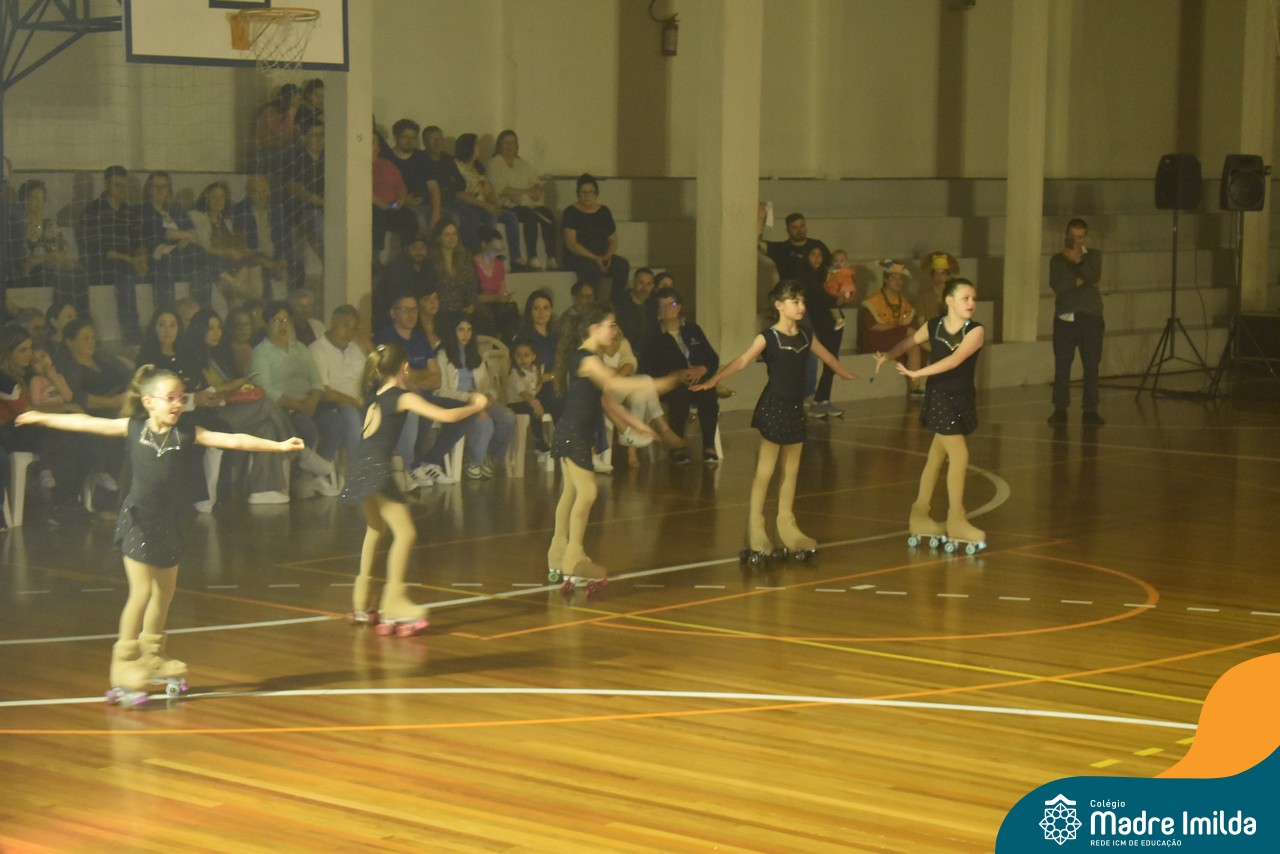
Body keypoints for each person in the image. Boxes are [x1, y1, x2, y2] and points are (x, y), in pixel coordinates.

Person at [16, 366, 302, 704]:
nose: (178, 403)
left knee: (164, 594)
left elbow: (233, 440)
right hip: (138, 521)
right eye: (170, 398)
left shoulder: (186, 432)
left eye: (182, 397)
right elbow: (86, 422)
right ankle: (123, 663)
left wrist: (278, 446)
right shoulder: (133, 428)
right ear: (149, 401)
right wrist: (41, 416)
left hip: (169, 522)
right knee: (141, 592)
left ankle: (152, 654)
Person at [693, 281, 858, 560]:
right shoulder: (767, 337)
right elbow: (742, 361)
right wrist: (714, 380)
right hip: (773, 407)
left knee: (791, 471)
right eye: (795, 301)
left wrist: (844, 373)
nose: (801, 306)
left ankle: (786, 525)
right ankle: (756, 528)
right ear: (779, 305)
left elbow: (828, 357)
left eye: (802, 301)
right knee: (765, 471)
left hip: (795, 409)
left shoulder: (806, 335)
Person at [340, 342, 487, 633]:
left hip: (359, 467)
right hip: (377, 470)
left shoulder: (374, 397)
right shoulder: (401, 397)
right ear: (404, 367)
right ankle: (393, 604)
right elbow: (445, 416)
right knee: (406, 533)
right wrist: (476, 406)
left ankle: (361, 603)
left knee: (375, 530)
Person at [547, 302, 678, 582]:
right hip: (573, 432)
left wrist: (637, 425)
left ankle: (557, 554)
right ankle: (573, 558)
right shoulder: (586, 360)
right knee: (587, 493)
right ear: (594, 328)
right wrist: (655, 384)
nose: (614, 331)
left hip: (575, 432)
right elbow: (616, 384)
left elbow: (608, 400)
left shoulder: (592, 359)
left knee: (570, 493)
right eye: (611, 325)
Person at [874, 277, 988, 551]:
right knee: (959, 455)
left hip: (961, 398)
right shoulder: (934, 326)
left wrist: (918, 372)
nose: (971, 303)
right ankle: (956, 519)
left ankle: (919, 515)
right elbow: (908, 342)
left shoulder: (976, 331)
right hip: (940, 398)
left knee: (936, 456)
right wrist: (887, 356)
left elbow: (954, 360)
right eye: (965, 298)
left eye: (973, 298)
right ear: (949, 301)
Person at [178, 309, 297, 505]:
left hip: (230, 406)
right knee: (266, 405)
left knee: (266, 426)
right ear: (200, 330)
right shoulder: (191, 359)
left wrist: (237, 388)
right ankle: (299, 453)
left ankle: (263, 490)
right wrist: (230, 387)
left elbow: (227, 387)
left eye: (218, 328)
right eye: (210, 329)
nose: (216, 333)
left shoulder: (218, 355)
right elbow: (205, 394)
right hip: (213, 414)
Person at [247, 300, 339, 496]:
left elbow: (316, 380)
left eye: (286, 320)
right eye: (277, 320)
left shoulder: (301, 349)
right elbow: (266, 390)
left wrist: (312, 400)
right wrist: (298, 404)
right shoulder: (260, 353)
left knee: (335, 421)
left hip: (309, 403)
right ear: (267, 324)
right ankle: (302, 476)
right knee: (306, 427)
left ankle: (314, 475)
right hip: (284, 407)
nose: (283, 325)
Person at [641, 286, 721, 465]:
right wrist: (675, 375)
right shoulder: (652, 337)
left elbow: (712, 358)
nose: (668, 309)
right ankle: (677, 446)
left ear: (679, 307)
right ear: (658, 312)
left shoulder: (693, 330)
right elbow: (647, 368)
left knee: (708, 393)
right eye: (662, 306)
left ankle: (709, 445)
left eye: (672, 305)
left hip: (697, 379)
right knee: (680, 397)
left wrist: (702, 369)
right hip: (671, 384)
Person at [436, 315, 514, 479]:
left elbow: (486, 384)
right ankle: (474, 461)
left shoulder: (475, 355)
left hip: (479, 398)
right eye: (461, 330)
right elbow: (442, 390)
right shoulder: (443, 355)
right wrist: (470, 398)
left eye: (469, 330)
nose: (465, 334)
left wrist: (489, 395)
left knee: (507, 419)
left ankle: (488, 456)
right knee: (484, 420)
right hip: (457, 400)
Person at [76, 165, 147, 342]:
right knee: (124, 273)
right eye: (117, 185)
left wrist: (141, 258)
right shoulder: (92, 210)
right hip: (100, 264)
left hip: (128, 262)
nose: (122, 189)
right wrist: (131, 260)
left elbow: (138, 240)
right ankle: (132, 333)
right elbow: (96, 249)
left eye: (124, 185)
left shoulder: (130, 211)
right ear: (107, 185)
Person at [1048, 218, 1105, 426]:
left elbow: (1093, 275)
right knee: (1062, 365)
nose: (1076, 241)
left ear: (1085, 237)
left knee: (1091, 366)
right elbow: (1059, 285)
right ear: (1066, 235)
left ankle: (1090, 409)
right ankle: (1060, 409)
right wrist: (1081, 281)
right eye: (1072, 236)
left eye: (1080, 237)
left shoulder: (1094, 256)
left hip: (1091, 318)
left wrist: (1078, 262)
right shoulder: (1057, 260)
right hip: (1065, 318)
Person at [9, 179, 88, 314]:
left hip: (56, 267)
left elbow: (64, 251)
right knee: (58, 276)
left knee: (79, 274)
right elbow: (25, 261)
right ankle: (60, 315)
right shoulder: (18, 226)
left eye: (42, 198)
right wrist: (50, 258)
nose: (39, 203)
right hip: (33, 272)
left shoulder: (49, 224)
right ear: (25, 200)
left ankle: (81, 318)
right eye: (34, 198)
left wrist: (58, 259)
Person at [137, 171, 213, 309]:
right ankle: (167, 313)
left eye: (164, 186)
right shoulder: (143, 210)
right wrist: (185, 236)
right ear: (149, 189)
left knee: (201, 260)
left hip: (181, 254)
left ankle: (201, 311)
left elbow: (192, 232)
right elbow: (161, 233)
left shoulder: (176, 209)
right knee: (197, 254)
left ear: (169, 190)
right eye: (156, 186)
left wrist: (184, 239)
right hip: (158, 258)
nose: (160, 190)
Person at [487, 129, 557, 269]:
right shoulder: (494, 164)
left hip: (528, 203)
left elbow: (535, 182)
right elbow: (502, 189)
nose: (510, 146)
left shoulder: (524, 164)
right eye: (506, 143)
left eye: (513, 143)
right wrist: (526, 192)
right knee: (529, 215)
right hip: (508, 205)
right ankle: (532, 255)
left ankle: (551, 256)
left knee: (548, 215)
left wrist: (536, 190)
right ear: (500, 145)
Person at [308, 304, 368, 464]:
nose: (350, 332)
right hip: (334, 406)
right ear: (333, 324)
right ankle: (359, 470)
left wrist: (365, 342)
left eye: (354, 328)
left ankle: (401, 465)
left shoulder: (355, 348)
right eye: (345, 326)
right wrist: (354, 402)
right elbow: (325, 392)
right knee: (351, 416)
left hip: (361, 401)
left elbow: (371, 376)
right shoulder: (317, 350)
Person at [190, 181, 262, 309]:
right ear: (206, 199)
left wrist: (241, 251)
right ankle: (245, 303)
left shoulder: (227, 220)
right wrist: (227, 252)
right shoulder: (199, 217)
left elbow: (235, 242)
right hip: (216, 264)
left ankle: (254, 307)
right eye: (214, 197)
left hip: (233, 262)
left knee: (252, 266)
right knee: (243, 274)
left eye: (222, 197)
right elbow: (203, 246)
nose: (218, 201)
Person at [454, 133, 521, 265]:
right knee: (490, 216)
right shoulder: (457, 166)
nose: (480, 147)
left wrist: (495, 205)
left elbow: (489, 189)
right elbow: (459, 192)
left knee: (511, 216)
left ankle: (516, 257)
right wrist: (486, 206)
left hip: (484, 204)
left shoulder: (478, 168)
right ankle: (491, 252)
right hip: (469, 205)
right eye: (477, 144)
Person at [561, 174, 629, 301]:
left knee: (622, 265)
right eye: (584, 192)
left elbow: (613, 240)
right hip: (579, 257)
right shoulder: (570, 212)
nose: (587, 195)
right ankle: (593, 303)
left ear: (596, 193)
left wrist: (607, 257)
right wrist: (594, 258)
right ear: (578, 193)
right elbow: (571, 243)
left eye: (590, 192)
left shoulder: (604, 211)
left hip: (602, 255)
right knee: (592, 268)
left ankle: (616, 302)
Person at [861, 260, 921, 394]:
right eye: (894, 278)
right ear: (886, 279)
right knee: (910, 332)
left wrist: (898, 330)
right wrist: (895, 328)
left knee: (914, 346)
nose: (898, 281)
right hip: (878, 338)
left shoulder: (903, 301)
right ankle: (935, 348)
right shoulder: (874, 300)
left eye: (900, 278)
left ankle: (915, 387)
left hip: (897, 337)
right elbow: (872, 327)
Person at [232, 174, 292, 301]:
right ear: (248, 192)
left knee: (297, 269)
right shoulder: (238, 211)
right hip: (254, 259)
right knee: (264, 272)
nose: (262, 196)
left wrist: (283, 258)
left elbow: (286, 238)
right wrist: (265, 261)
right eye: (257, 192)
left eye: (265, 191)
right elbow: (241, 244)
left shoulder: (277, 209)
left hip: (276, 258)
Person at [384, 119, 437, 235]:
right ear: (396, 137)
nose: (409, 142)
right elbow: (384, 193)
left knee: (453, 218)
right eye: (405, 137)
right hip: (398, 206)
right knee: (419, 219)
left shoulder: (422, 157)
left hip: (426, 205)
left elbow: (434, 188)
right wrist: (403, 200)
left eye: (413, 138)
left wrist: (436, 212)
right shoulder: (387, 158)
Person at [756, 205, 831, 282]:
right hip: (791, 289)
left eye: (802, 226)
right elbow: (758, 243)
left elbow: (832, 267)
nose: (799, 230)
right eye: (794, 227)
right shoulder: (782, 249)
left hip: (817, 289)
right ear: (788, 230)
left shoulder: (817, 245)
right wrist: (761, 219)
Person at [471, 226, 520, 341]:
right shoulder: (472, 264)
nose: (497, 253)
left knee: (511, 313)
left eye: (499, 250)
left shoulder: (498, 265)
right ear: (484, 244)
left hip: (496, 306)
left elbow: (502, 289)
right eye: (494, 249)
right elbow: (472, 296)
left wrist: (504, 296)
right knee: (484, 318)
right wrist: (496, 298)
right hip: (480, 306)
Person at [377, 233, 437, 325]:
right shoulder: (397, 267)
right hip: (392, 318)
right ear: (406, 249)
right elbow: (400, 299)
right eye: (414, 247)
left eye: (422, 247)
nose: (419, 251)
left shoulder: (428, 266)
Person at [505, 338, 551, 457]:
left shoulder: (535, 369)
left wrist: (549, 378)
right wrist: (535, 404)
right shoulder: (515, 373)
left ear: (533, 357)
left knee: (551, 404)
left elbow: (539, 380)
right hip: (516, 404)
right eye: (518, 355)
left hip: (530, 401)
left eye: (526, 355)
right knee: (533, 411)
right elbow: (523, 393)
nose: (522, 359)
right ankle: (539, 442)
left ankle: (554, 439)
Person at [429, 219, 478, 322]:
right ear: (438, 237)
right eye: (447, 235)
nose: (452, 238)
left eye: (454, 234)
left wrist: (470, 305)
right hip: (441, 312)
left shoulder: (465, 257)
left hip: (464, 311)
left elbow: (472, 285)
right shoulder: (431, 260)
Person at [613, 267, 657, 345]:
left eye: (648, 284)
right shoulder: (619, 305)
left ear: (652, 286)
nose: (644, 288)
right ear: (633, 283)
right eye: (641, 283)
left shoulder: (653, 306)